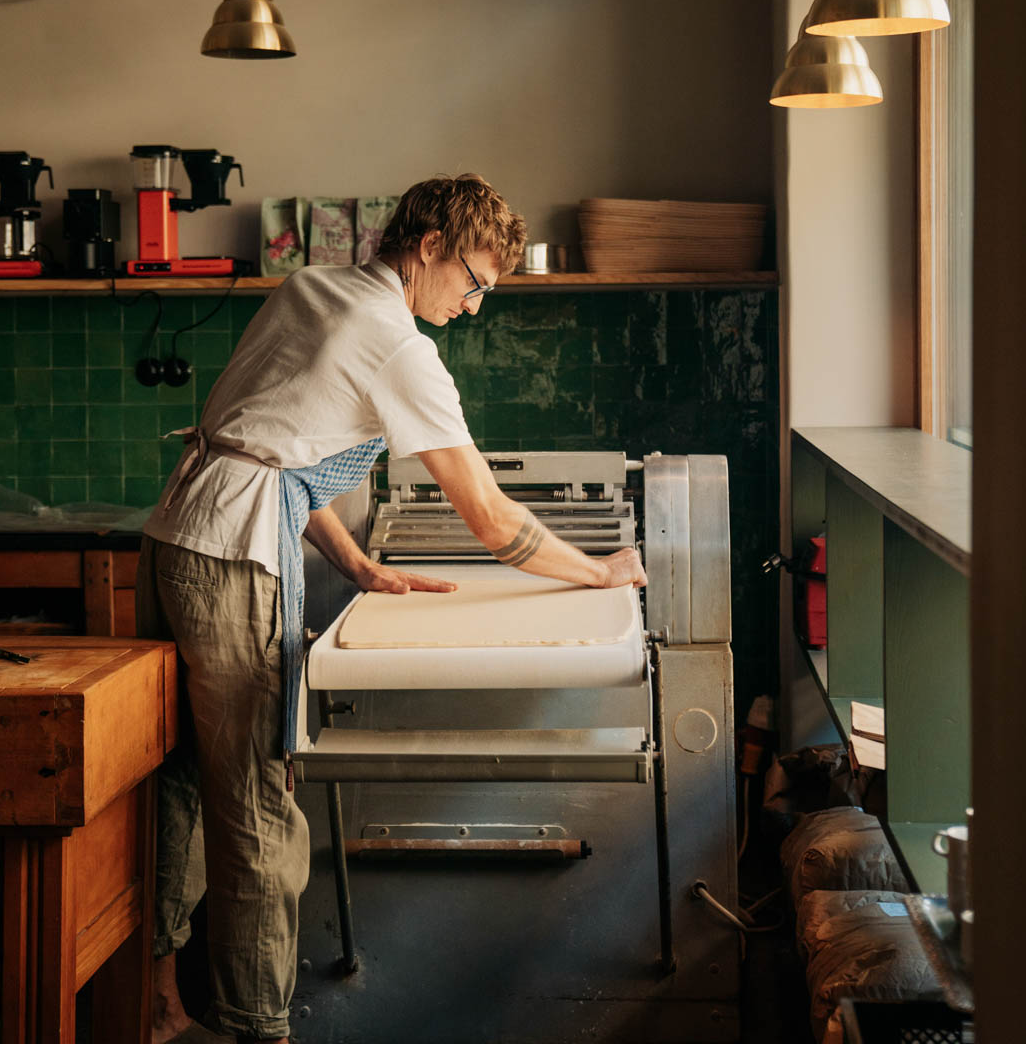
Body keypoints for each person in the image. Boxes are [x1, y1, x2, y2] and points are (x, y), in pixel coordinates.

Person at [137, 173, 647, 1044]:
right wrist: (599, 572)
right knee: (257, 802)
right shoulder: (399, 347)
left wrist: (357, 563)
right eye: (473, 282)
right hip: (233, 559)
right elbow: (491, 519)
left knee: (175, 781)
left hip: (174, 537)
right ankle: (257, 1027)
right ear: (429, 246)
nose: (473, 307)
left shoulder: (312, 287)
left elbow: (269, 445)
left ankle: (154, 1002)